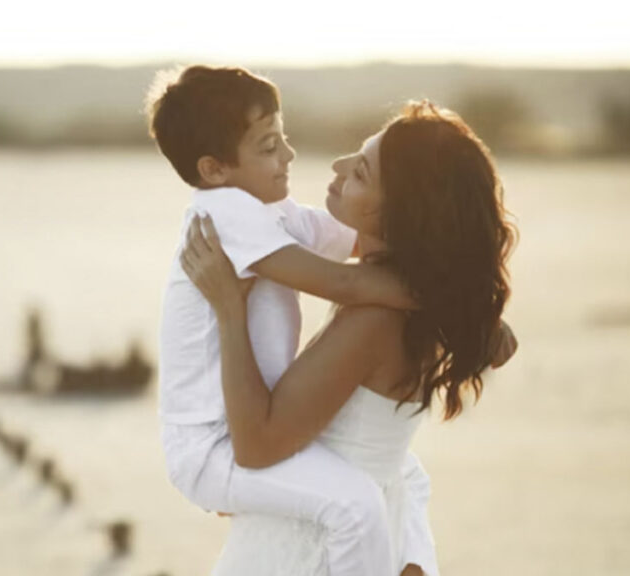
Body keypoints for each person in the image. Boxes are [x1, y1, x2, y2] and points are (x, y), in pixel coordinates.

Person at [180, 100, 517, 575]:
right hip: (357, 518)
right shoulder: (415, 301)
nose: (337, 168)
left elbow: (256, 446)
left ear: (399, 214)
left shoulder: (375, 320)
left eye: (360, 173)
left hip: (306, 551)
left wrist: (229, 312)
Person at [148, 65, 438, 576]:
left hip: (244, 429)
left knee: (404, 473)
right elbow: (341, 282)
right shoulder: (224, 213)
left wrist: (455, 275)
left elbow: (361, 243)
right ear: (214, 170)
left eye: (284, 138)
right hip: (211, 446)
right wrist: (443, 297)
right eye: (267, 147)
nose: (289, 156)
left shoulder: (273, 214)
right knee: (356, 504)